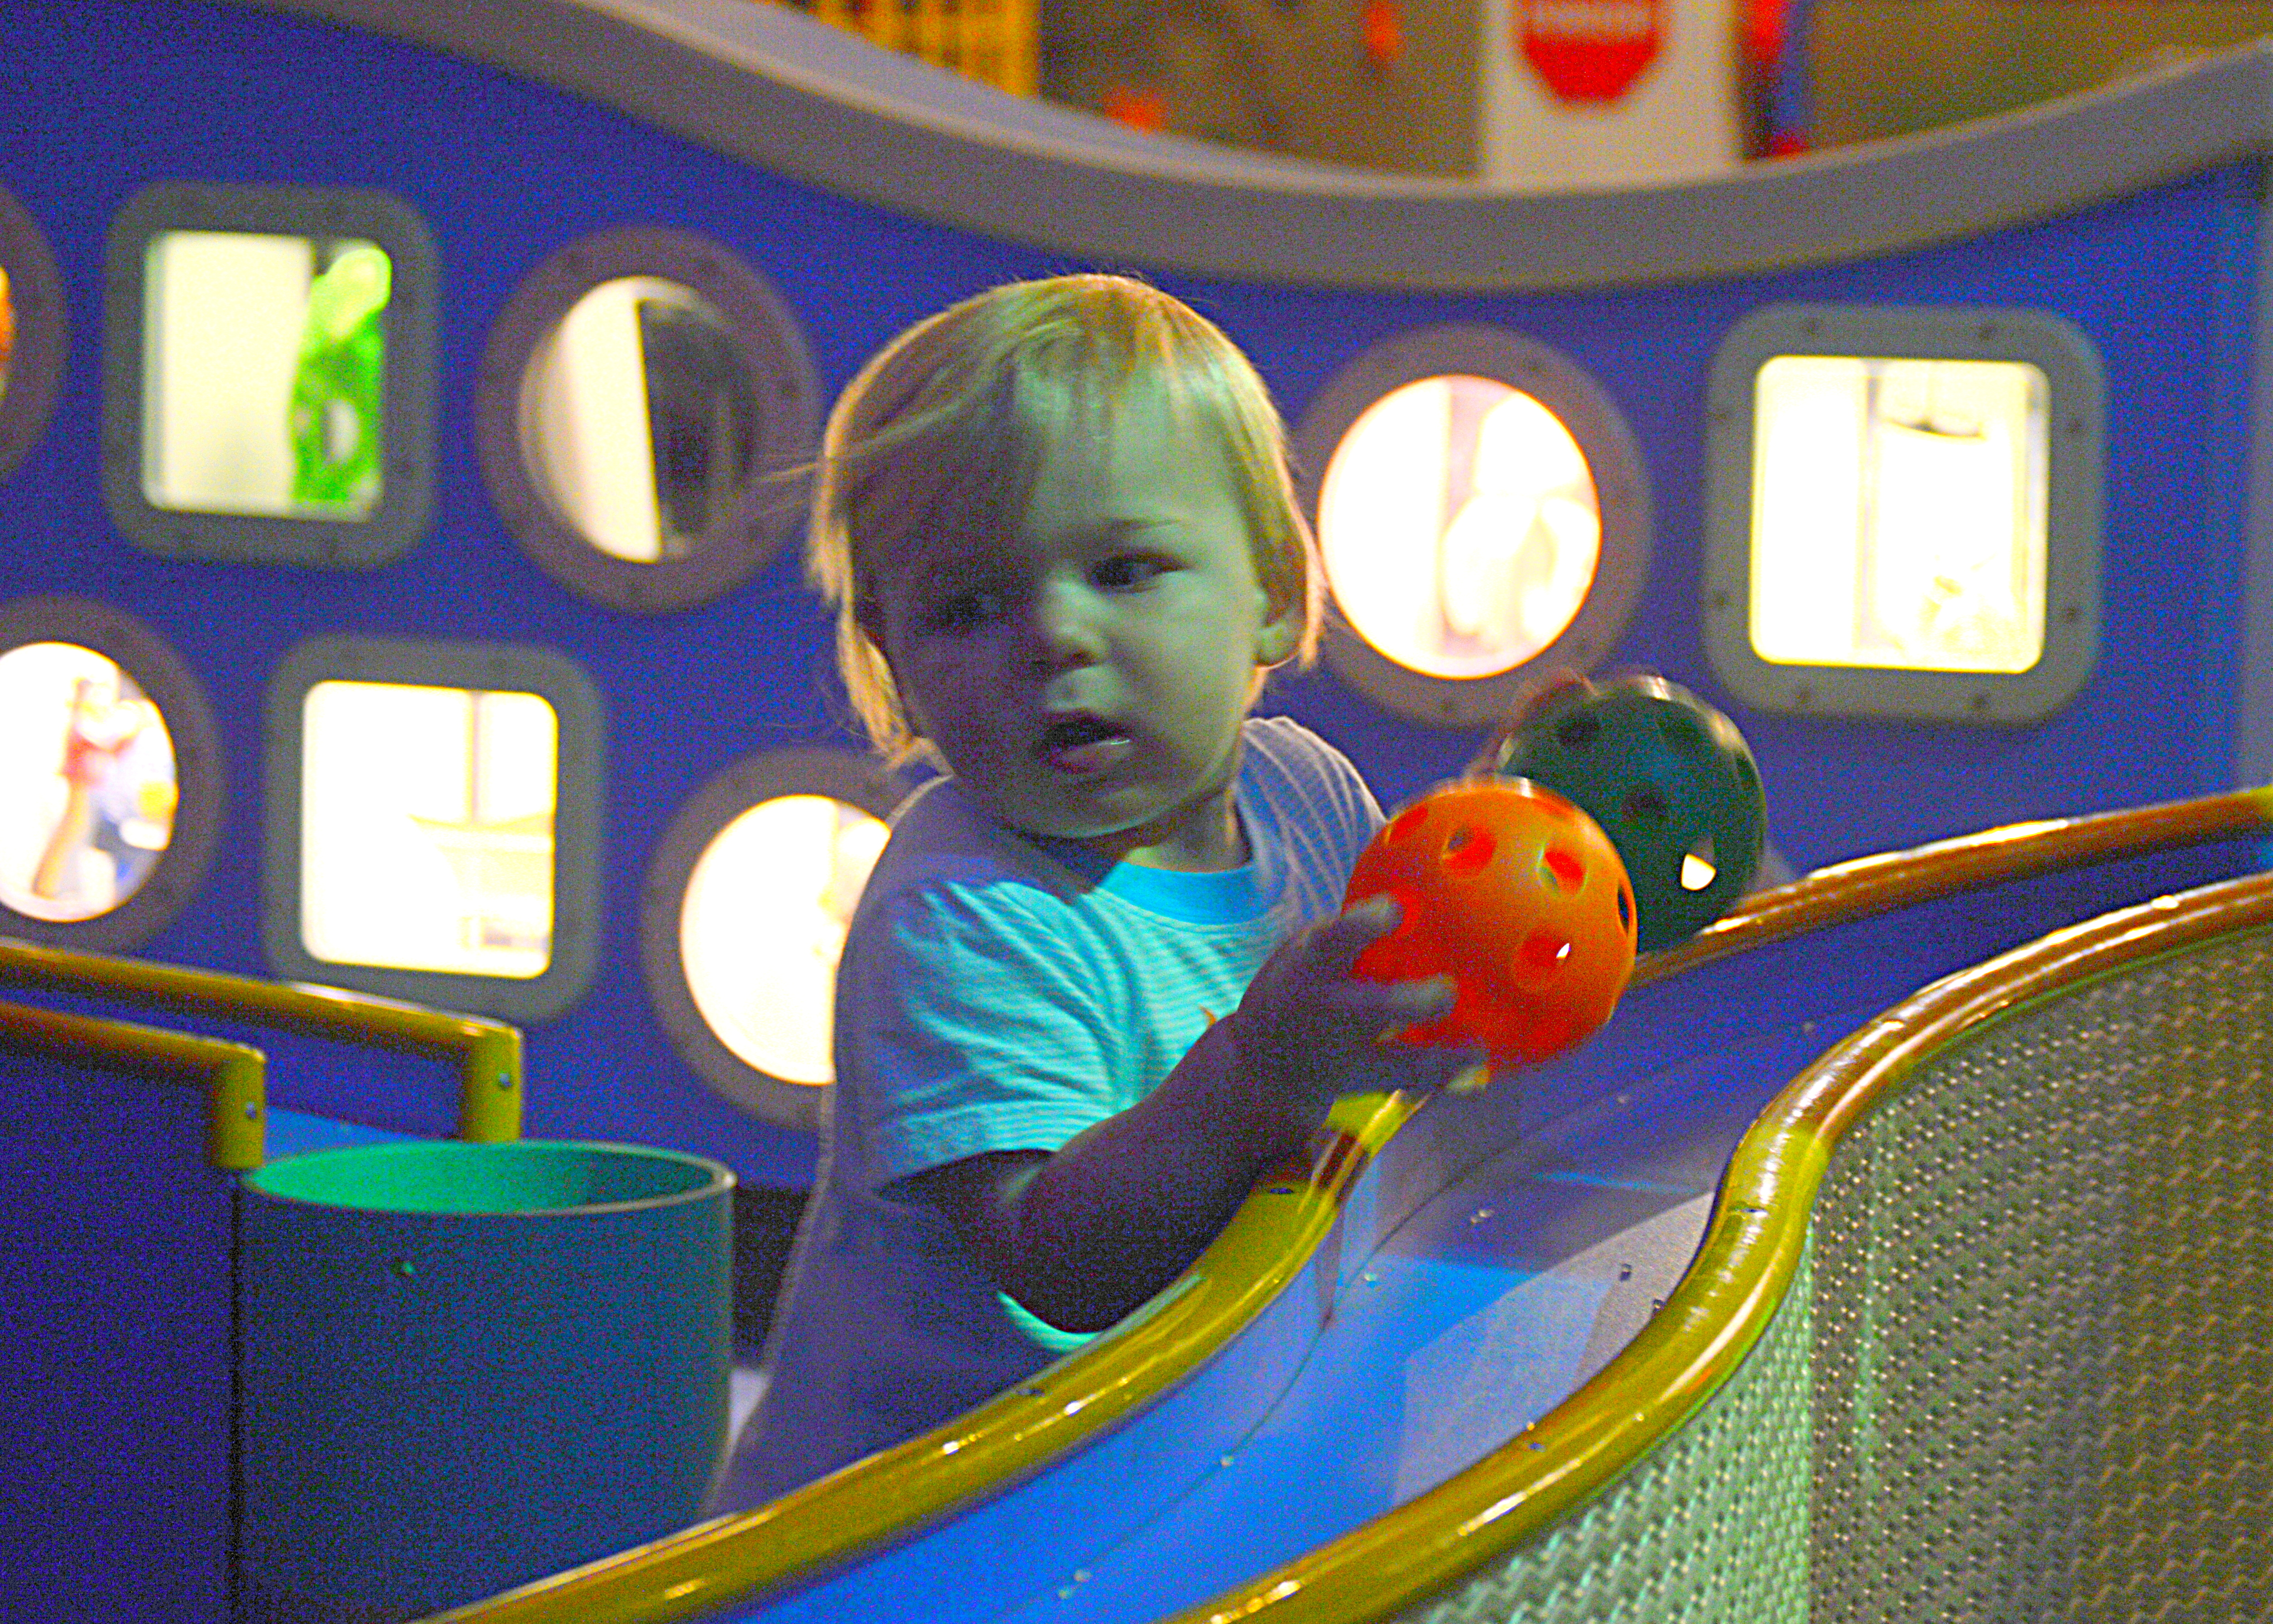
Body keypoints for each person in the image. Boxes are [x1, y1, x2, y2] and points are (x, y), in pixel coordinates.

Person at [710, 274, 1482, 1508]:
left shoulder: (1304, 792)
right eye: (966, 606)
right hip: (912, 1541)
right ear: (892, 663)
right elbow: (1054, 1262)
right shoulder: (964, 909)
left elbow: (1417, 973)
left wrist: (1529, 826)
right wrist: (1261, 1072)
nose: (1051, 636)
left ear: (1273, 591)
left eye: (1122, 569)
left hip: (1162, 1474)